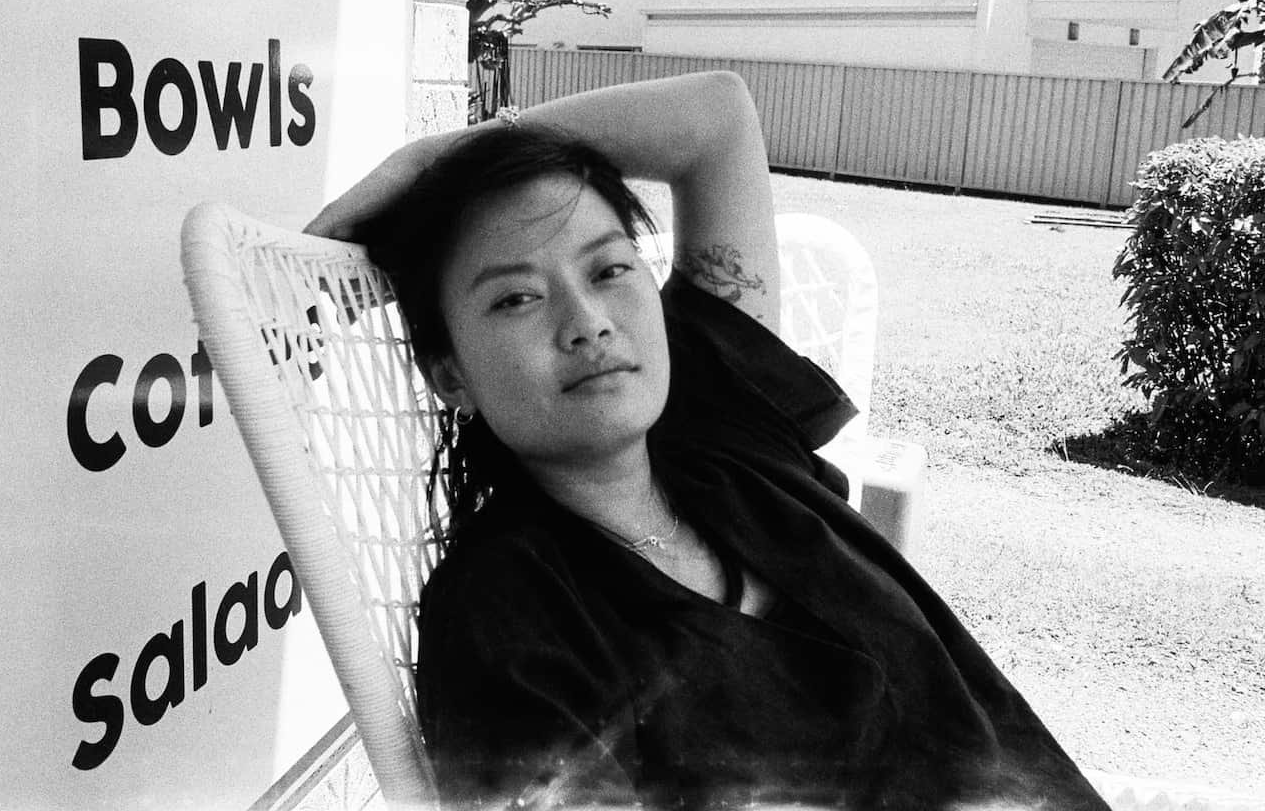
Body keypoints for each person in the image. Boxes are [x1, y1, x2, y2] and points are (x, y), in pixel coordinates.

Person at [306, 72, 1109, 811]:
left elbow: (717, 118)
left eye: (611, 269)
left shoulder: (722, 418)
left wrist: (447, 155)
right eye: (516, 298)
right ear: (451, 376)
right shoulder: (507, 621)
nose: (587, 323)